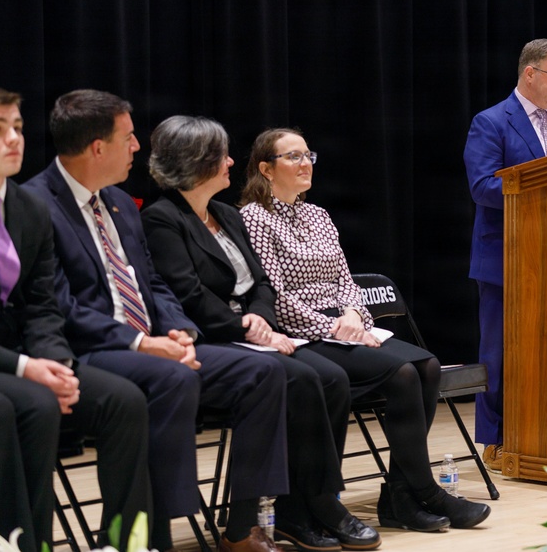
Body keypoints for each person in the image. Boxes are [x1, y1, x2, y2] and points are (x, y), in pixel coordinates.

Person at [24, 89, 289, 552]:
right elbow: (59, 306)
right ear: (97, 147)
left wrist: (179, 331)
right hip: (90, 349)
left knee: (263, 370)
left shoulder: (122, 205)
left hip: (153, 343)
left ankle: (242, 526)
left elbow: (154, 286)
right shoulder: (36, 205)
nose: (137, 149)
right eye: (128, 138)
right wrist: (141, 344)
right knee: (170, 378)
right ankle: (158, 532)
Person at [140, 117, 383, 550]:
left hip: (253, 331)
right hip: (212, 337)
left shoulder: (225, 214)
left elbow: (262, 283)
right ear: (196, 162)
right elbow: (188, 294)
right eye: (221, 155)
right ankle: (269, 517)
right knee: (306, 378)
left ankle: (313, 503)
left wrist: (260, 320)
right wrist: (247, 328)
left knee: (330, 377)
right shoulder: (162, 218)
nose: (232, 161)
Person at [238, 127, 491, 532]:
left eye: (308, 155)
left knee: (426, 365)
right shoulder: (254, 218)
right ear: (266, 169)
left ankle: (402, 495)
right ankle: (423, 491)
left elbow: (345, 280)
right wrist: (333, 327)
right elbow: (276, 296)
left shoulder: (318, 215)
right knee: (403, 373)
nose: (305, 164)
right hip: (301, 333)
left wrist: (355, 315)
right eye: (293, 157)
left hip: (344, 324)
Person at [0, 85, 150, 552]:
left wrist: (55, 365)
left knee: (123, 401)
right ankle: (22, 543)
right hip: (5, 366)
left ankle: (126, 543)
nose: (14, 139)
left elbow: (42, 305)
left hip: (28, 358)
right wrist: (28, 369)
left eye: (17, 127)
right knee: (24, 405)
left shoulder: (27, 208)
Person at [462, 38, 547, 470]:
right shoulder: (491, 121)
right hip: (507, 257)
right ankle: (495, 439)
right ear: (529, 74)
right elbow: (482, 187)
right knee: (500, 351)